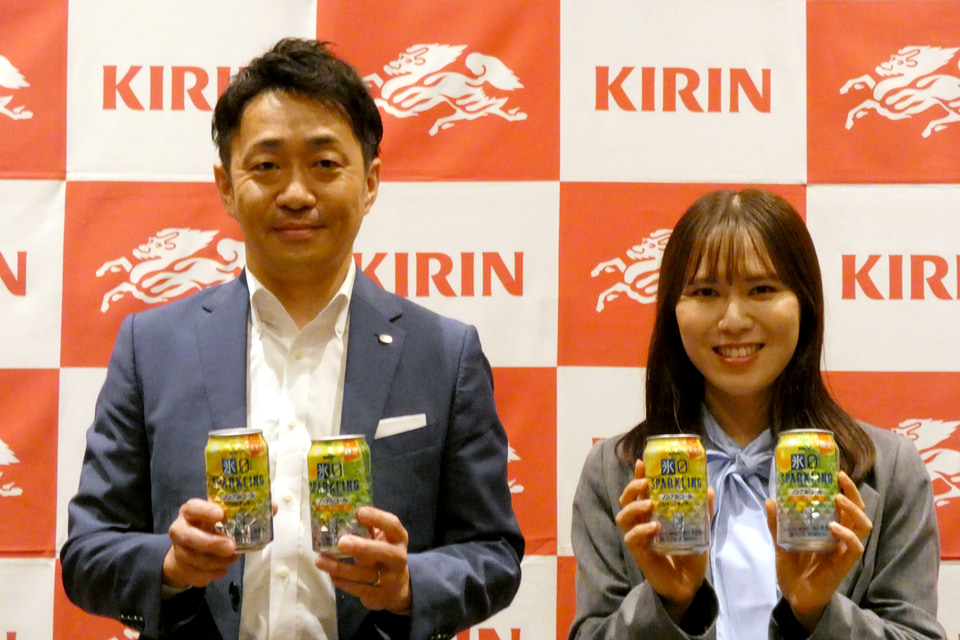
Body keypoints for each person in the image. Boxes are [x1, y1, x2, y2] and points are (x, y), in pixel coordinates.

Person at [60, 38, 524, 640]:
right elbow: (88, 552)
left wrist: (410, 586)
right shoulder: (151, 347)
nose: (297, 193)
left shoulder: (444, 353)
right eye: (267, 166)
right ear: (226, 186)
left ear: (371, 182)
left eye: (325, 164)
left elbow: (494, 553)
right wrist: (170, 568)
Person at [568, 188, 945, 640]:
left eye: (761, 289)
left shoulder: (890, 469)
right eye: (705, 292)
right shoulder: (614, 472)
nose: (733, 320)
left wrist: (816, 613)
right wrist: (670, 604)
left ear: (805, 302)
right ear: (672, 311)